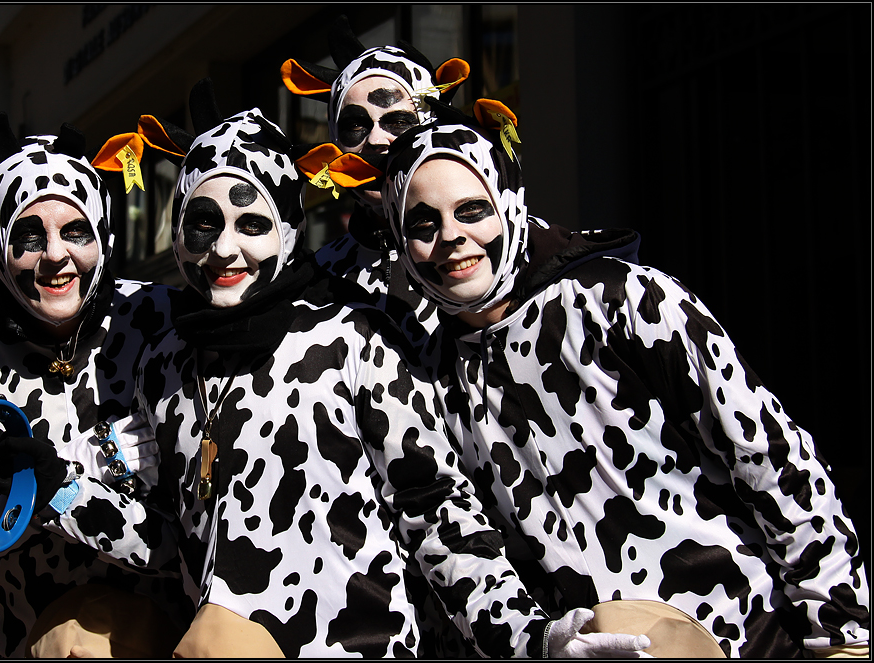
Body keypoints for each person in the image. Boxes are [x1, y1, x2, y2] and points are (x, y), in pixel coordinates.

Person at [41, 78, 652, 659]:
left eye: (251, 224)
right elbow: (165, 539)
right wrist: (55, 487)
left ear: (286, 227)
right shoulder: (166, 361)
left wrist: (527, 638)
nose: (224, 249)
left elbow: (436, 509)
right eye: (203, 222)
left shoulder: (354, 336)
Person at [327, 98, 872, 657]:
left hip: (756, 636)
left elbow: (770, 455)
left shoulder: (623, 299)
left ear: (509, 203)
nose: (451, 237)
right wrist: (537, 642)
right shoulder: (425, 372)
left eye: (472, 210)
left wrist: (840, 631)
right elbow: (453, 535)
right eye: (423, 222)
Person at [0, 113, 192, 657]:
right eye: (29, 237)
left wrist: (58, 492)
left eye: (75, 231)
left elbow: (189, 533)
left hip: (161, 639)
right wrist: (25, 500)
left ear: (104, 237)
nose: (55, 256)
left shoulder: (159, 320)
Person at [281, 15, 470, 352]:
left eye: (398, 121)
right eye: (355, 125)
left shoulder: (492, 248)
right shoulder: (316, 278)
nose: (377, 140)